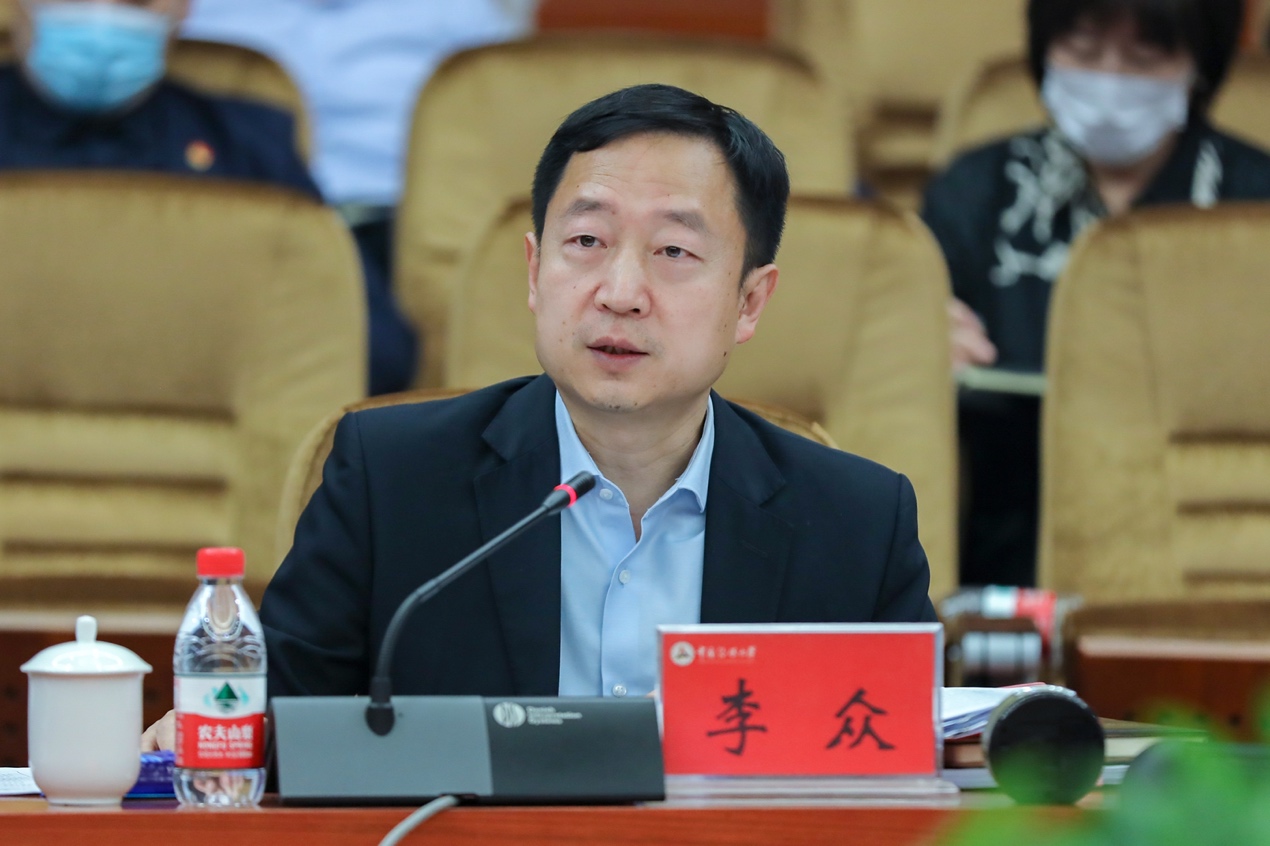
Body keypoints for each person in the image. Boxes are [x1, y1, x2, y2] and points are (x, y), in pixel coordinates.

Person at [138, 84, 935, 747]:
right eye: (586, 240)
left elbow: (908, 780)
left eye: (674, 252)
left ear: (750, 300)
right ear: (533, 269)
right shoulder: (392, 481)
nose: (620, 292)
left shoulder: (857, 524)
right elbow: (268, 742)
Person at [922, 0, 1270, 588]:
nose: (1110, 79)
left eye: (1145, 56)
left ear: (1199, 66)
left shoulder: (1256, 204)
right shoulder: (975, 192)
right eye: (1084, 50)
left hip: (1217, 556)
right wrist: (921, 345)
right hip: (1014, 550)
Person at [0, 0, 416, 395]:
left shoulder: (250, 148)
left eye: (135, 1)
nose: (101, 16)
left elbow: (373, 348)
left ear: (182, 8)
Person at [180, 0, 538, 390]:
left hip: (400, 219)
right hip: (253, 213)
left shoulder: (462, 11)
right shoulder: (202, 11)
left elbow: (501, 118)